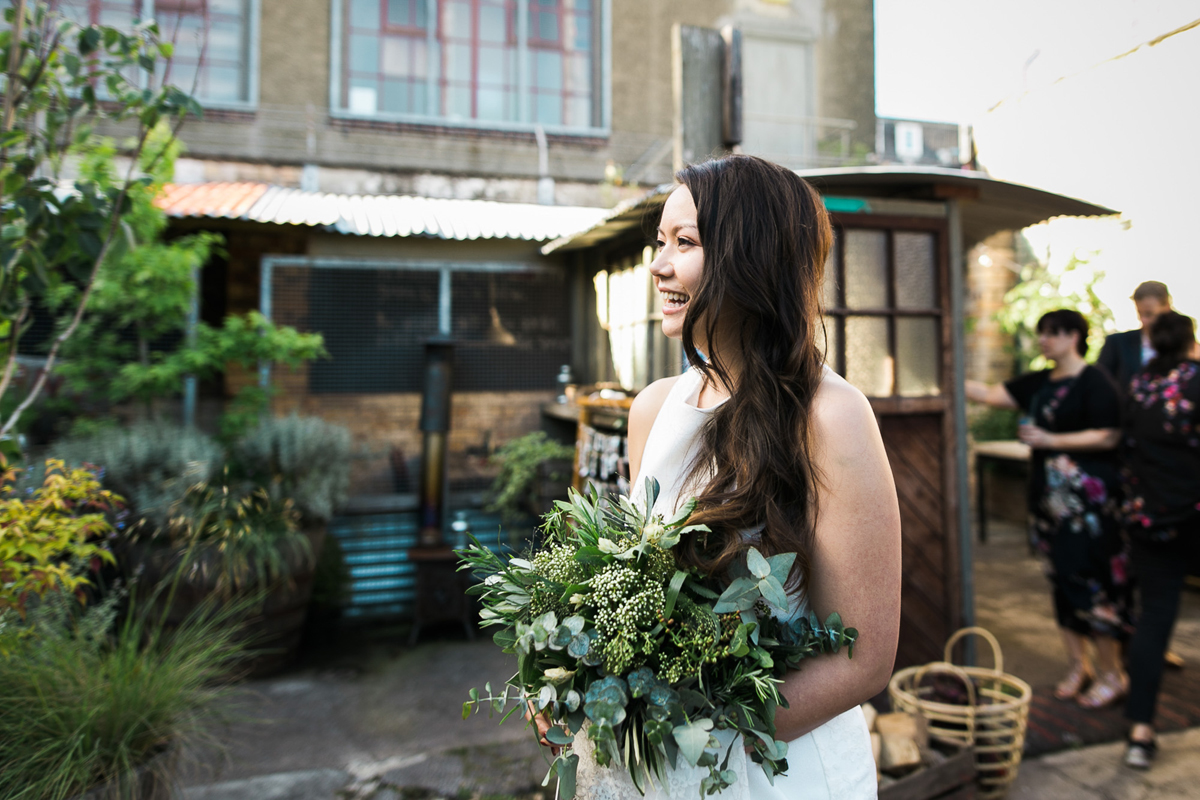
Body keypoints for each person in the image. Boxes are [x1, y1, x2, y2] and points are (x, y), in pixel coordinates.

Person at [542, 155, 902, 799]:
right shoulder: (652, 409)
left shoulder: (830, 416)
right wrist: (579, 687)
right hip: (654, 769)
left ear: (752, 258)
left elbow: (864, 658)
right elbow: (630, 587)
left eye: (685, 243)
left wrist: (685, 734)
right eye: (660, 242)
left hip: (771, 771)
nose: (658, 266)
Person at [965, 309, 1130, 708]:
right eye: (1041, 333)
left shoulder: (1095, 382)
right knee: (1061, 584)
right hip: (1050, 507)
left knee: (1093, 584)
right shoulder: (1040, 381)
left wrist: (1051, 439)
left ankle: (1113, 673)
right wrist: (944, 365)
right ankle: (1079, 666)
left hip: (1088, 509)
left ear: (1074, 337)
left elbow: (1109, 435)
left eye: (1052, 333)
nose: (1043, 341)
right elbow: (989, 394)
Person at [1119, 310, 1200, 769]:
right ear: (1191, 342)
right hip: (1192, 515)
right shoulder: (1196, 381)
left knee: (1154, 619)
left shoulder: (1138, 384)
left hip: (1148, 518)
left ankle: (1140, 732)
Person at [1097, 281, 1172, 392]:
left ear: (1166, 308)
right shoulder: (1117, 343)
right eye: (1139, 314)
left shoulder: (1185, 345)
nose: (1143, 320)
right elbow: (1099, 385)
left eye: (1149, 313)